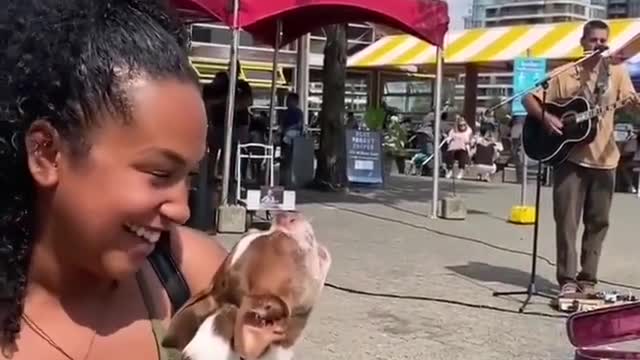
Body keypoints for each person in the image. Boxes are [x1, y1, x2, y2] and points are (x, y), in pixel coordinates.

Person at [0, 1, 229, 359]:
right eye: (159, 174)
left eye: (190, 176)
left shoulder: (199, 280)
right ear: (46, 153)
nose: (182, 210)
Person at [522, 20, 639, 301]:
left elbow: (632, 107)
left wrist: (636, 106)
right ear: (583, 42)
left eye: (603, 41)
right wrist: (546, 117)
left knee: (598, 222)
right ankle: (567, 280)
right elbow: (529, 98)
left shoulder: (616, 72)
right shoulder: (566, 73)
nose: (598, 45)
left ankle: (588, 279)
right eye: (593, 40)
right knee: (566, 222)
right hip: (570, 159)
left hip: (606, 160)